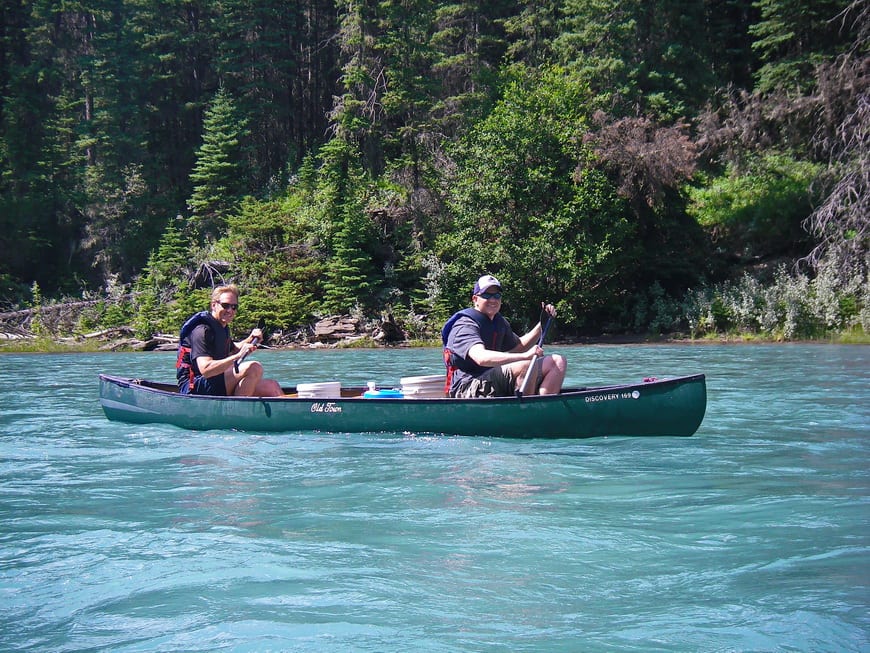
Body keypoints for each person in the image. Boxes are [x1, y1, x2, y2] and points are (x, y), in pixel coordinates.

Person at [442, 274, 567, 398]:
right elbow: (481, 358)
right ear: (475, 299)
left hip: (494, 377)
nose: (493, 299)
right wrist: (524, 356)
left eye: (497, 296)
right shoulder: (465, 325)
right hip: (467, 386)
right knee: (526, 364)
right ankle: (527, 411)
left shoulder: (499, 322)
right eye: (487, 295)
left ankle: (543, 406)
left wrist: (542, 325)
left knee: (557, 362)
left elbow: (519, 346)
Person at [176, 285, 283, 397]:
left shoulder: (222, 327)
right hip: (194, 386)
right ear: (214, 305)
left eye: (234, 307)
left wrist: (250, 339)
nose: (230, 311)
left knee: (272, 387)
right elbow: (206, 369)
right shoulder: (201, 331)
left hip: (214, 381)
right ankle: (237, 411)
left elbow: (233, 350)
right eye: (225, 305)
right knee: (254, 367)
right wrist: (238, 357)